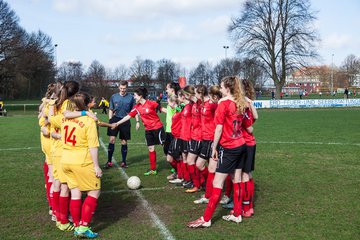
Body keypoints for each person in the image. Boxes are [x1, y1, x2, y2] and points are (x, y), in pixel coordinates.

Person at [187, 76, 249, 228]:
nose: (220, 89)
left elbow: (219, 128)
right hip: (241, 144)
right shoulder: (241, 102)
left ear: (228, 88)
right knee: (237, 179)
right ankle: (237, 214)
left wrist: (214, 147)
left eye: (222, 87)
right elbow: (248, 123)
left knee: (217, 182)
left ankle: (206, 218)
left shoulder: (223, 103)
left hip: (228, 147)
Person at [60, 92, 102, 238]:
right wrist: (96, 166)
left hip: (65, 160)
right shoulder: (89, 121)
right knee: (94, 191)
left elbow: (65, 115)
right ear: (87, 104)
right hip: (82, 161)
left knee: (76, 192)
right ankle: (84, 226)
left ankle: (77, 226)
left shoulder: (66, 119)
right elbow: (93, 146)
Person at [112, 87, 165, 176]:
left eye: (135, 95)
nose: (134, 97)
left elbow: (163, 110)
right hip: (148, 130)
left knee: (165, 147)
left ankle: (175, 166)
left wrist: (176, 113)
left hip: (158, 128)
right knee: (151, 149)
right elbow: (128, 116)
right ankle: (153, 169)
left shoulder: (152, 103)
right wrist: (117, 123)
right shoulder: (137, 107)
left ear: (140, 96)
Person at [193, 85, 222, 204]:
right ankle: (210, 189)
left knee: (208, 167)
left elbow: (219, 119)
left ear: (200, 93)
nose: (195, 95)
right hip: (205, 138)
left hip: (211, 138)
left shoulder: (212, 104)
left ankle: (209, 195)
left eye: (196, 93)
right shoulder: (202, 104)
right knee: (201, 165)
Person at [105, 80, 137, 169]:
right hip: (114, 119)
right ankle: (109, 161)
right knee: (111, 140)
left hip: (125, 120)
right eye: (121, 88)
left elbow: (134, 111)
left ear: (127, 88)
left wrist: (137, 121)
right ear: (119, 87)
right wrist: (110, 120)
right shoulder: (113, 97)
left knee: (124, 141)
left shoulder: (131, 98)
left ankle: (123, 162)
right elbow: (111, 109)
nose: (123, 90)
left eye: (124, 88)